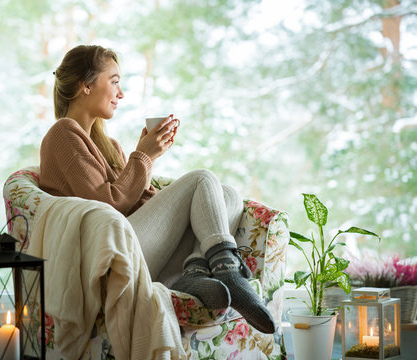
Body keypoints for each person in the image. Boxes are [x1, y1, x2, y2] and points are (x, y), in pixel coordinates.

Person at [39, 44, 275, 334]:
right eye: (114, 82)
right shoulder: (63, 134)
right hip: (106, 264)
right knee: (201, 178)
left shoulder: (109, 146)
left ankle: (195, 272)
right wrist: (145, 156)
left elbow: (138, 203)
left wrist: (149, 168)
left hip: (137, 249)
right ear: (85, 85)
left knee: (228, 195)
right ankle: (228, 272)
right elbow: (107, 207)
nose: (121, 94)